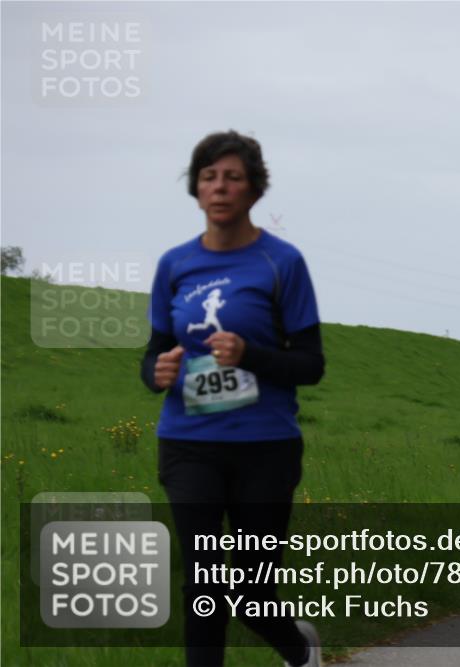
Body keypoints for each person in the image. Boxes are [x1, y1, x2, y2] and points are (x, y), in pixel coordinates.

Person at [141, 131, 325, 667]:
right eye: (208, 177)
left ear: (253, 190)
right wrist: (158, 371)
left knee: (249, 593)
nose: (219, 187)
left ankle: (298, 649)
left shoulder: (280, 262)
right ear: (196, 190)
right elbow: (153, 353)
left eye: (232, 177)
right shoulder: (174, 265)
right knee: (204, 580)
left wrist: (249, 354)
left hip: (264, 446)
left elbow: (311, 365)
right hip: (187, 442)